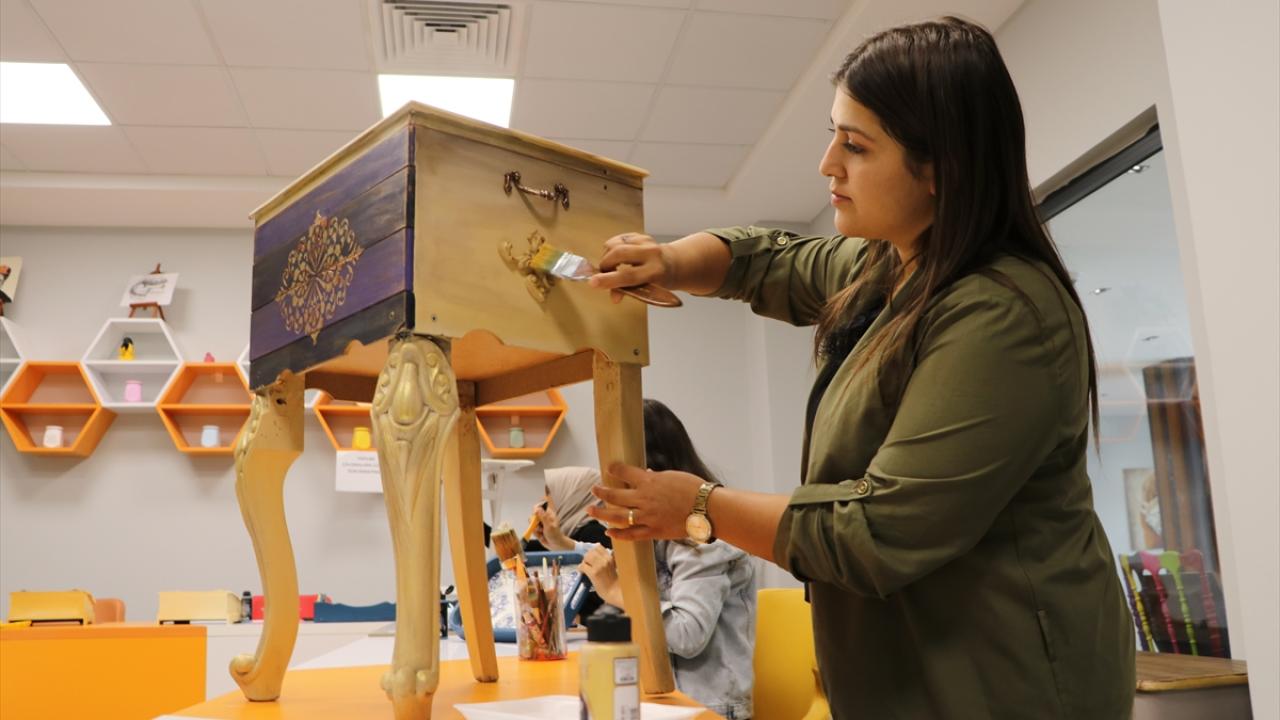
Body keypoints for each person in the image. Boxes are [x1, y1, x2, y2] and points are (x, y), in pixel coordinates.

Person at [582, 16, 1135, 720]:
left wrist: (699, 507)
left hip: (1006, 686)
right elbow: (773, 260)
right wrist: (669, 259)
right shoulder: (894, 267)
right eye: (833, 135)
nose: (827, 164)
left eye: (856, 145)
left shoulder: (1002, 315)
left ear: (940, 167)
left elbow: (877, 531)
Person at [578, 399, 756, 720]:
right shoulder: (656, 536)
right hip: (663, 700)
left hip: (710, 709)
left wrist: (617, 591)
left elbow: (688, 636)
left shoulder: (704, 538)